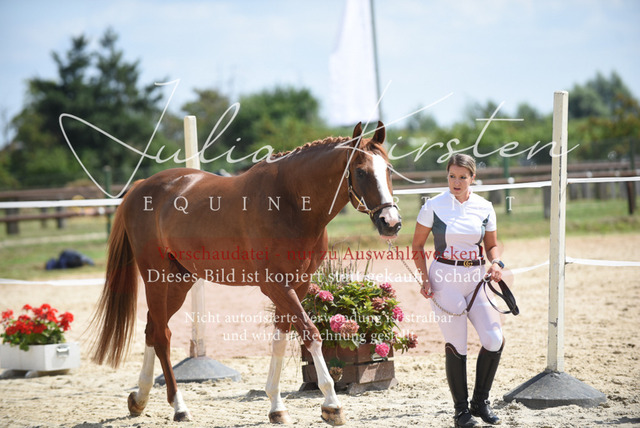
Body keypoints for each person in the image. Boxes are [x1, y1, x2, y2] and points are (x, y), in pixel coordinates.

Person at [412, 153, 505, 427]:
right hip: (444, 278)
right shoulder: (433, 206)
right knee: (458, 344)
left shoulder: (485, 206)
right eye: (452, 176)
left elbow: (491, 245)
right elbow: (417, 246)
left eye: (462, 177)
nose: (456, 181)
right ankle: (461, 411)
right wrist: (424, 279)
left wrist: (496, 262)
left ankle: (480, 402)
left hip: (477, 279)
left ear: (472, 178)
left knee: (494, 339)